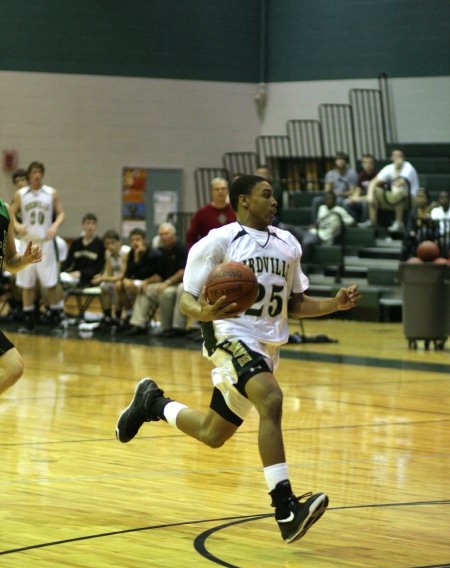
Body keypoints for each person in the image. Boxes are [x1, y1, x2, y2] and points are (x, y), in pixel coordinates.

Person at [116, 175, 361, 544]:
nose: (274, 200)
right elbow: (187, 298)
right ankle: (285, 508)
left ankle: (152, 402)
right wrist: (205, 312)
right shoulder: (218, 241)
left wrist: (334, 305)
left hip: (267, 346)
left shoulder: (288, 244)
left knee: (212, 433)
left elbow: (295, 303)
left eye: (274, 194)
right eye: (266, 195)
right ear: (243, 201)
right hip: (229, 336)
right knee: (272, 399)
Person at [11, 161, 65, 330]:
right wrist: (16, 225)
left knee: (50, 283)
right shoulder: (21, 194)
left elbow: (61, 213)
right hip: (27, 243)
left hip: (45, 243)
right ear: (29, 175)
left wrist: (55, 226)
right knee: (26, 284)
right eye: (34, 171)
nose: (37, 174)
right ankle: (28, 319)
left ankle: (55, 317)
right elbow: (10, 211)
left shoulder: (51, 193)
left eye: (40, 171)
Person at [0, 197, 42, 395]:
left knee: (14, 367)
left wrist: (24, 260)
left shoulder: (5, 210)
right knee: (13, 366)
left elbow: (9, 261)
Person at [126, 222, 187, 337]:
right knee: (145, 289)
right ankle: (138, 324)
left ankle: (171, 328)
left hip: (179, 283)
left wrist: (167, 283)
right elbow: (158, 274)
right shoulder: (161, 250)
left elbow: (182, 271)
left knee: (166, 293)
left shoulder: (181, 248)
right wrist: (146, 282)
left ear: (173, 234)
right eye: (161, 235)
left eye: (166, 234)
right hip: (164, 282)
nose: (163, 237)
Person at [114, 228, 162, 330]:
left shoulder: (153, 254)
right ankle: (128, 313)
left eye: (138, 239)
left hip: (149, 281)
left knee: (127, 284)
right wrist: (136, 258)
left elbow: (155, 275)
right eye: (132, 240)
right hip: (136, 281)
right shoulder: (132, 253)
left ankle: (136, 314)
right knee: (119, 285)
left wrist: (145, 281)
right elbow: (128, 273)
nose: (135, 242)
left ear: (144, 241)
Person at [367, 149, 419, 233]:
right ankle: (373, 222)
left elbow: (398, 183)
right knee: (375, 191)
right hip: (393, 198)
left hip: (410, 199)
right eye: (395, 155)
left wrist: (397, 169)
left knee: (399, 192)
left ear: (403, 158)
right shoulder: (388, 168)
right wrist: (370, 196)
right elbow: (373, 182)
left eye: (399, 155)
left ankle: (399, 222)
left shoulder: (408, 167)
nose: (397, 157)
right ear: (391, 158)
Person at [300, 192, 355, 262]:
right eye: (327, 199)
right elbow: (319, 221)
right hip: (314, 232)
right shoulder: (322, 208)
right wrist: (315, 225)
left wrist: (341, 225)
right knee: (289, 230)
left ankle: (301, 266)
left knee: (307, 241)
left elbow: (351, 222)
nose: (328, 201)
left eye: (330, 199)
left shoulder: (339, 210)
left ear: (334, 200)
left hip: (324, 236)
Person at [91, 229, 130, 326]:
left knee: (117, 285)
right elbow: (108, 272)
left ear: (119, 242)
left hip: (127, 280)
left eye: (113, 243)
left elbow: (122, 275)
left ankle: (117, 315)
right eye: (107, 243)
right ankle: (107, 315)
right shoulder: (107, 253)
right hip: (114, 279)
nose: (110, 246)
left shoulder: (126, 252)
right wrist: (101, 276)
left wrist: (103, 278)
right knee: (104, 286)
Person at [186, 177, 235, 249]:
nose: (220, 191)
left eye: (223, 188)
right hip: (210, 253)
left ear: (227, 191)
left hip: (233, 251)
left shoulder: (235, 211)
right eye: (217, 189)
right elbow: (191, 236)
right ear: (211, 191)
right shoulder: (202, 213)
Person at [61, 213, 105, 287]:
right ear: (83, 225)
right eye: (88, 223)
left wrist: (81, 273)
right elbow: (68, 262)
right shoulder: (76, 243)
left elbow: (98, 267)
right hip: (74, 277)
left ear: (96, 226)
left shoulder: (100, 244)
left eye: (93, 224)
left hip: (90, 278)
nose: (90, 226)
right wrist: (62, 271)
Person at [311, 152, 358, 222]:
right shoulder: (330, 174)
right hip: (331, 196)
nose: (340, 161)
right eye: (338, 159)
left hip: (343, 197)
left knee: (339, 201)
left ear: (346, 161)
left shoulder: (352, 173)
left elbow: (352, 191)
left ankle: (339, 223)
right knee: (316, 200)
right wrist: (329, 187)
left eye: (342, 159)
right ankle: (315, 223)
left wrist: (342, 194)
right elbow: (326, 191)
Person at [344, 154, 378, 225]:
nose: (368, 165)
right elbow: (358, 189)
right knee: (346, 202)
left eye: (370, 162)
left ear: (374, 164)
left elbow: (376, 195)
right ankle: (354, 223)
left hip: (375, 199)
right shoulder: (361, 175)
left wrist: (359, 198)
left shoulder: (378, 175)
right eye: (365, 162)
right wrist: (353, 197)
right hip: (364, 198)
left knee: (366, 203)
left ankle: (364, 223)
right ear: (362, 164)